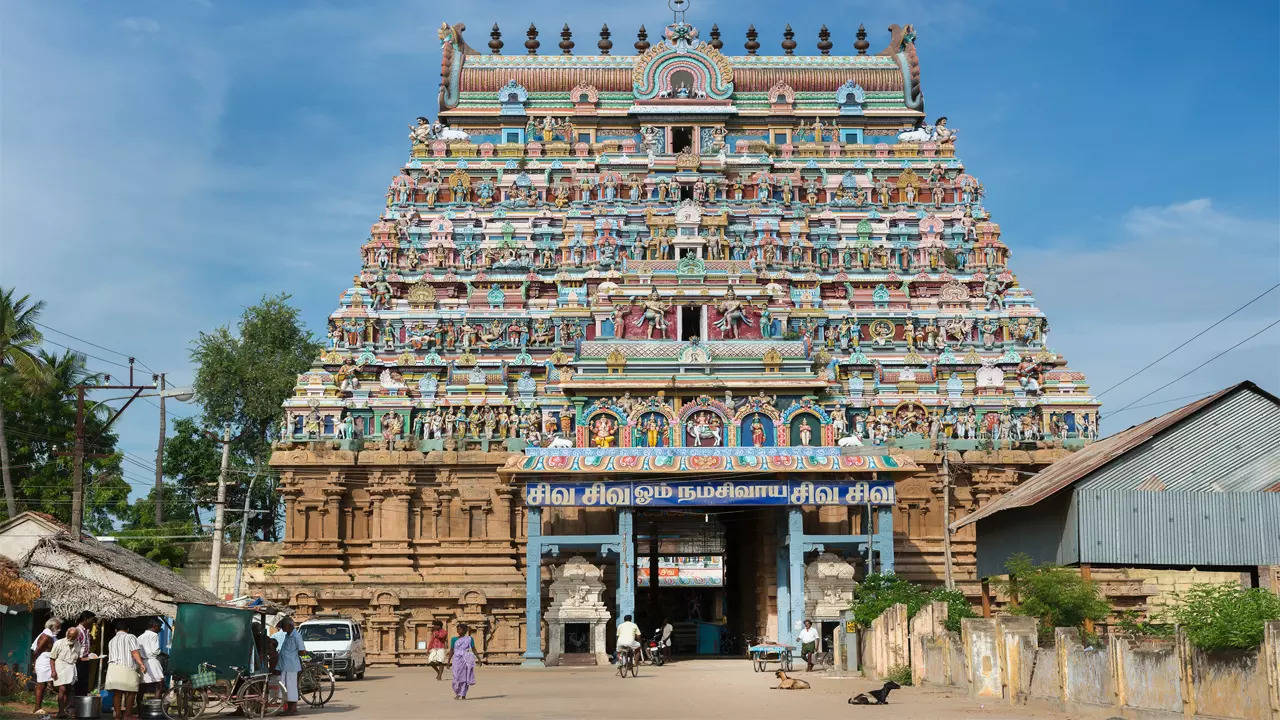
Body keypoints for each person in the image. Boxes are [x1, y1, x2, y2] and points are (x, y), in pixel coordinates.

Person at [104, 620, 146, 720]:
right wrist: (141, 663)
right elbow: (134, 652)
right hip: (127, 667)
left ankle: (117, 715)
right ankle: (127, 715)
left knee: (117, 693)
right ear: (127, 629)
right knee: (131, 691)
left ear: (115, 630)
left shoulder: (111, 640)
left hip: (113, 668)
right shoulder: (130, 637)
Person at [273, 617, 305, 716]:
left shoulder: (296, 636)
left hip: (291, 666)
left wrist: (294, 653)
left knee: (291, 688)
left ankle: (293, 709)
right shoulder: (288, 635)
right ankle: (288, 708)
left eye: (283, 626)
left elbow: (302, 651)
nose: (282, 628)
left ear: (289, 626)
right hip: (285, 665)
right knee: (285, 687)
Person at [50, 626, 80, 719]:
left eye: (73, 637)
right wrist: (53, 671)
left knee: (69, 690)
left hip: (71, 668)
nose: (71, 638)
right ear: (67, 634)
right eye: (69, 636)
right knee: (62, 689)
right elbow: (52, 658)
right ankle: (60, 711)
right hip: (60, 667)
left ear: (77, 636)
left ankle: (65, 710)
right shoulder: (59, 643)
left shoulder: (77, 644)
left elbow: (77, 658)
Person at [31, 618, 60, 716]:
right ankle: (37, 708)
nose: (60, 629)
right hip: (43, 662)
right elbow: (36, 651)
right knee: (41, 685)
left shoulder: (51, 636)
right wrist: (34, 663)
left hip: (47, 662)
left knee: (43, 685)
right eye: (58, 627)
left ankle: (38, 707)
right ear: (52, 627)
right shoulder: (46, 636)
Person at [137, 619, 165, 708]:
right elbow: (155, 650)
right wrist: (161, 652)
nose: (159, 630)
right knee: (159, 684)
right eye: (159, 627)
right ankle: (155, 707)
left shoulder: (140, 637)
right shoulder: (154, 635)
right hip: (152, 662)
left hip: (142, 662)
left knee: (142, 687)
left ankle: (140, 709)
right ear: (155, 626)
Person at [448, 623, 476, 700]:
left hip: (465, 660)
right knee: (456, 677)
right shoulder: (454, 639)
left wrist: (479, 659)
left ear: (465, 630)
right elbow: (451, 650)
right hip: (456, 660)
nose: (458, 630)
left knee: (464, 677)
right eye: (457, 629)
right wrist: (448, 661)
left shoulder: (469, 639)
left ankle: (463, 694)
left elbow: (473, 649)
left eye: (460, 629)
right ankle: (457, 692)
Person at [72, 611, 97, 697]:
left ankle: (81, 707)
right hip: (79, 663)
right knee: (78, 686)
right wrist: (82, 659)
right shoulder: (78, 631)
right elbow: (73, 650)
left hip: (85, 662)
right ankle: (75, 707)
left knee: (84, 686)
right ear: (86, 619)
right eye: (92, 620)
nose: (93, 623)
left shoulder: (86, 631)